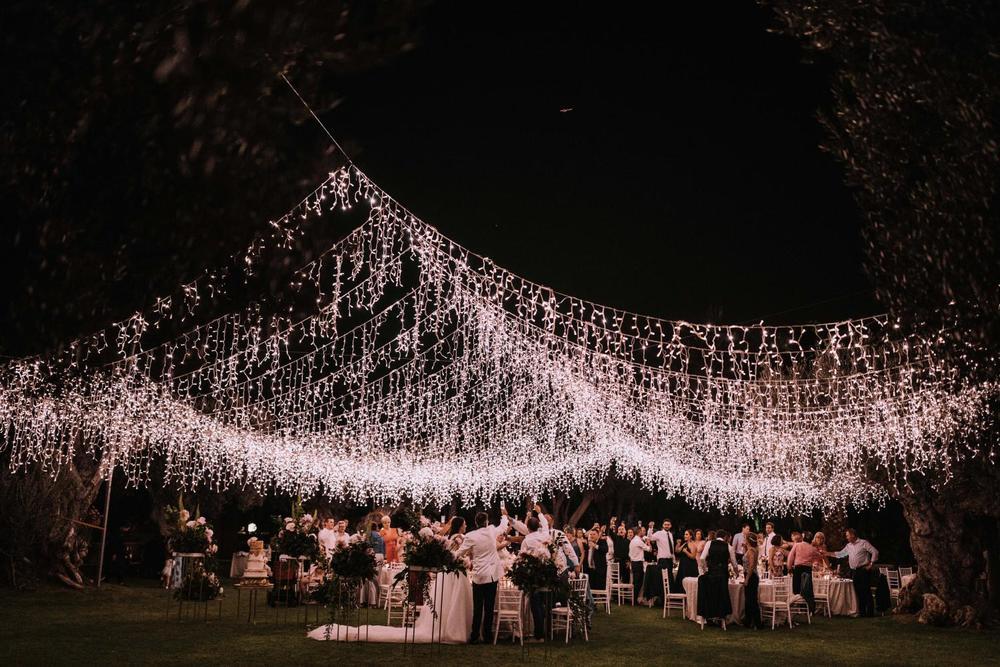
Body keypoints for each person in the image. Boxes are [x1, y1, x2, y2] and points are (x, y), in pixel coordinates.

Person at [455, 509, 509, 643]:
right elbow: (503, 526)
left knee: (478, 608)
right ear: (486, 522)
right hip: (491, 575)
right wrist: (504, 515)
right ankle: (487, 636)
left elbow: (460, 552)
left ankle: (474, 636)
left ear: (475, 522)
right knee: (489, 608)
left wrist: (448, 556)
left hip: (479, 576)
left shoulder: (471, 536)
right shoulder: (491, 530)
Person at [832, 528, 879, 617]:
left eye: (847, 535)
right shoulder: (849, 546)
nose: (846, 537)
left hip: (863, 570)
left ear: (853, 535)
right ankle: (862, 612)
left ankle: (870, 613)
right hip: (854, 571)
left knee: (866, 591)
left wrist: (871, 564)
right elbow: (840, 554)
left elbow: (875, 552)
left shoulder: (863, 543)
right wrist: (827, 553)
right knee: (858, 592)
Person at [697, 529, 733, 623]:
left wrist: (705, 570)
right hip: (723, 574)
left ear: (716, 536)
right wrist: (736, 573)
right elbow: (734, 563)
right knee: (722, 596)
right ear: (725, 537)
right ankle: (721, 618)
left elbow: (702, 559)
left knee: (711, 594)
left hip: (711, 574)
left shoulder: (709, 543)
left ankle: (709, 616)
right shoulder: (728, 546)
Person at [787, 532, 823, 596]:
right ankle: (805, 603)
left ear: (803, 537)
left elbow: (790, 556)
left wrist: (789, 567)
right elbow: (819, 556)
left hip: (798, 568)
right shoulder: (812, 548)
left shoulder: (797, 545)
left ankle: (798, 602)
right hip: (807, 569)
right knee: (807, 589)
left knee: (797, 589)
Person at [647, 519, 676, 592]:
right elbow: (650, 538)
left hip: (670, 560)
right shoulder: (659, 533)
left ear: (670, 526)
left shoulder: (670, 534)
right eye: (665, 524)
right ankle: (662, 599)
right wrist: (650, 528)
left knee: (669, 579)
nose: (667, 526)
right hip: (662, 560)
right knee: (663, 580)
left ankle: (668, 597)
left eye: (668, 524)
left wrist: (674, 560)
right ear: (663, 525)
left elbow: (671, 549)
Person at [742, 532, 763, 628]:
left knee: (751, 600)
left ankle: (757, 623)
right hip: (752, 576)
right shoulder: (753, 549)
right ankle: (748, 621)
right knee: (749, 600)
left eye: (745, 538)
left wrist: (747, 579)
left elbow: (751, 566)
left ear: (748, 540)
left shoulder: (751, 551)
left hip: (751, 576)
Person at [629, 526, 651, 603]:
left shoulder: (633, 540)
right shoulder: (638, 541)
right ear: (639, 532)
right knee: (638, 582)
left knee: (636, 582)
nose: (643, 532)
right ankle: (634, 600)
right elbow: (649, 549)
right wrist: (648, 542)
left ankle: (634, 599)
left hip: (633, 563)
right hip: (638, 563)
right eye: (642, 531)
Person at [583, 527, 608, 592]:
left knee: (599, 585)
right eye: (591, 534)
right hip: (589, 568)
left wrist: (595, 546)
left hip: (599, 568)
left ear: (598, 535)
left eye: (594, 534)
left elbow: (605, 550)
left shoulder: (602, 541)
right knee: (591, 586)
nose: (592, 536)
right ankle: (592, 600)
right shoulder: (588, 543)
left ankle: (601, 600)